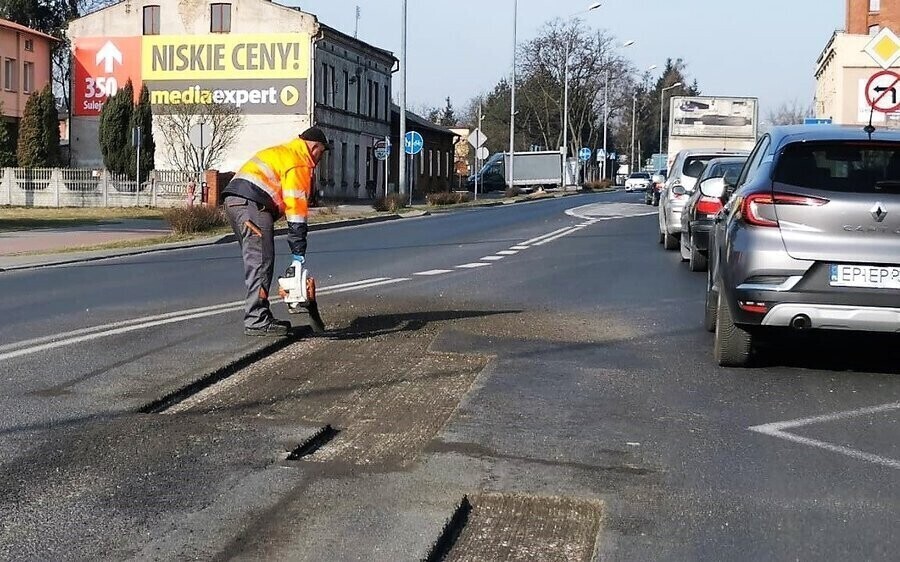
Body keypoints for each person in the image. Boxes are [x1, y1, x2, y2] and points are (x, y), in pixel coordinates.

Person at [222, 127, 329, 336]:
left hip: (235, 202)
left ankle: (261, 315)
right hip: (252, 204)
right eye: (322, 152)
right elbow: (296, 211)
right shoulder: (299, 161)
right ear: (315, 147)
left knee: (258, 259)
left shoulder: (284, 152)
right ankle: (256, 320)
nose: (320, 158)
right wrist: (298, 254)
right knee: (261, 261)